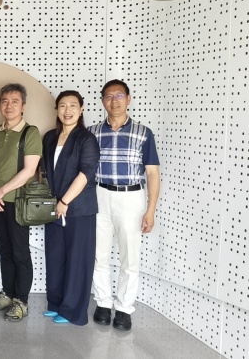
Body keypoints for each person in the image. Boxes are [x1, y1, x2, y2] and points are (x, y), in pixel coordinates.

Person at [89, 79, 160, 331]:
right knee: (99, 254)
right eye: (109, 96)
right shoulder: (93, 132)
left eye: (119, 96)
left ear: (128, 99)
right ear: (102, 101)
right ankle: (103, 303)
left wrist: (150, 209)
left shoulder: (143, 133)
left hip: (131, 197)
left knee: (130, 257)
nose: (114, 101)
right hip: (100, 195)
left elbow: (152, 173)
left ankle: (124, 308)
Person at [41, 90, 100, 325]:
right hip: (53, 207)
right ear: (57, 109)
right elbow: (45, 171)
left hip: (79, 209)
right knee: (55, 257)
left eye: (73, 105)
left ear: (81, 109)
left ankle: (73, 311)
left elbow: (86, 173)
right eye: (63, 106)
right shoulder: (49, 137)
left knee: (78, 260)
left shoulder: (86, 139)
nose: (67, 110)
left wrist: (65, 201)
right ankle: (56, 304)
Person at [0, 83, 41, 322]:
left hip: (18, 202)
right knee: (4, 250)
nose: (9, 106)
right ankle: (7, 293)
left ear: (23, 106)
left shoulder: (30, 133)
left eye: (14, 101)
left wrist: (1, 191)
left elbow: (29, 171)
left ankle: (21, 301)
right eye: (5, 101)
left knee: (20, 252)